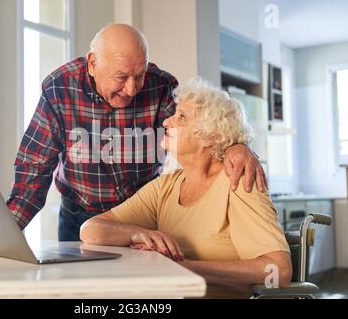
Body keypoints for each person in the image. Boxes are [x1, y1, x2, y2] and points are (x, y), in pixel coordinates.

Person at [0, 24, 265, 244]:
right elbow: (34, 170)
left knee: (135, 298)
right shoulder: (60, 89)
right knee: (82, 296)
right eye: (121, 76)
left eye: (139, 75)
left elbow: (201, 127)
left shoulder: (160, 85)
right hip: (78, 215)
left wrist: (237, 146)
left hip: (140, 215)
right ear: (92, 64)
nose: (131, 89)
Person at [80, 78, 291, 298]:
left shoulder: (239, 181)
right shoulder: (165, 187)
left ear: (213, 136)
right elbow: (91, 230)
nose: (166, 122)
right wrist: (138, 234)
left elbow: (278, 272)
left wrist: (184, 267)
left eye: (181, 117)